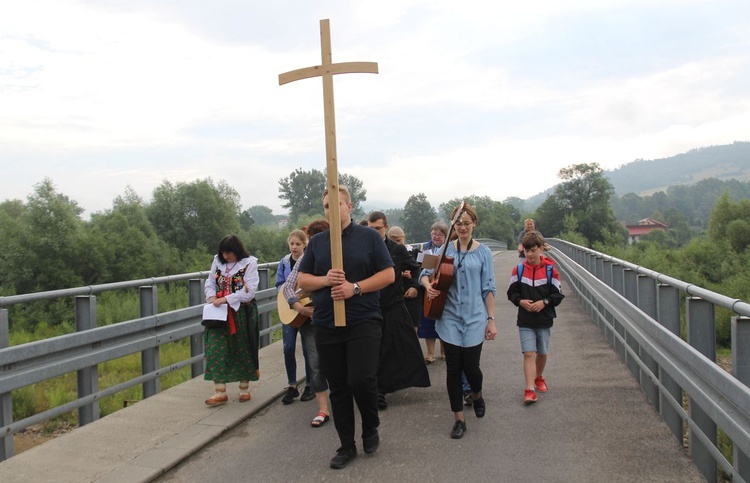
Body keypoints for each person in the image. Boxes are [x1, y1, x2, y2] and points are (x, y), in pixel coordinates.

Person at [297, 186, 395, 470]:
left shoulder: (369, 238)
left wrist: (355, 288)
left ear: (349, 207)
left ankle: (370, 426)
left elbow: (388, 274)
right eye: (326, 206)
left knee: (361, 379)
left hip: (363, 319)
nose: (331, 210)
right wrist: (325, 280)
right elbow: (302, 279)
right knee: (338, 386)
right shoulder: (317, 243)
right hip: (327, 322)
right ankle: (347, 445)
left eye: (336, 204)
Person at [421, 203, 497, 440]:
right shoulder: (444, 250)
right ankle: (459, 419)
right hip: (449, 317)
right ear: (454, 225)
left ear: (474, 224)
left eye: (467, 223)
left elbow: (488, 288)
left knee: (472, 368)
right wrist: (428, 288)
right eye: (459, 223)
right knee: (453, 369)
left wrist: (491, 319)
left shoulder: (483, 252)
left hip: (474, 317)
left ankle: (477, 394)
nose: (463, 227)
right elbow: (423, 273)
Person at [367, 213, 430, 410]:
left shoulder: (397, 249)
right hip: (370, 307)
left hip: (393, 305)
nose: (374, 232)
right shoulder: (364, 249)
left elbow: (418, 268)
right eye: (371, 228)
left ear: (385, 227)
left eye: (378, 228)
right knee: (373, 350)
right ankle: (375, 390)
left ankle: (382, 389)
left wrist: (414, 286)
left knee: (395, 348)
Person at [282, 220, 333, 427]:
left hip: (340, 316)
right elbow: (287, 287)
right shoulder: (306, 260)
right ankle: (323, 409)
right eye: (312, 239)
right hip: (313, 319)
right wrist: (299, 307)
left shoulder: (342, 256)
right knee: (315, 361)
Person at [507, 231, 564, 405]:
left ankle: (539, 376)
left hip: (544, 318)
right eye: (526, 251)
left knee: (542, 352)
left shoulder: (550, 271)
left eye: (533, 250)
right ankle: (530, 389)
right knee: (529, 353)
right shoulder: (519, 270)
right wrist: (520, 301)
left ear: (541, 249)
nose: (529, 254)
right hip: (525, 319)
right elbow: (511, 292)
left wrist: (544, 302)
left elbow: (558, 295)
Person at [203, 235, 260, 406]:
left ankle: (244, 387)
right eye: (224, 253)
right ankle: (219, 390)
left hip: (240, 313)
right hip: (218, 313)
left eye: (229, 253)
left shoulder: (249, 263)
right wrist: (212, 296)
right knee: (215, 348)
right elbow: (210, 282)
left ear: (237, 251)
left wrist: (227, 299)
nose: (226, 256)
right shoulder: (217, 262)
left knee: (241, 347)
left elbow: (249, 292)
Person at [275, 229, 315, 405]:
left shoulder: (308, 260)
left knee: (308, 349)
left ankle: (310, 384)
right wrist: (288, 299)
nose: (294, 247)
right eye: (291, 243)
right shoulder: (284, 262)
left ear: (305, 244)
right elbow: (279, 285)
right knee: (288, 348)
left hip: (305, 311)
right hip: (289, 311)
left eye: (298, 244)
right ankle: (292, 385)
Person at [417, 221, 449, 363]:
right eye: (434, 233)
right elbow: (418, 267)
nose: (436, 237)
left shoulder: (449, 249)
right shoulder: (424, 248)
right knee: (428, 319)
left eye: (440, 235)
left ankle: (444, 350)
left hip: (443, 287)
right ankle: (430, 353)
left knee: (443, 319)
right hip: (427, 287)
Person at [387, 226, 422, 330]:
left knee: (412, 329)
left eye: (399, 240)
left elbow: (420, 270)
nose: (397, 244)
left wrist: (415, 286)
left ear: (404, 238)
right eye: (393, 241)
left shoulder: (415, 252)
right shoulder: (385, 253)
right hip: (393, 298)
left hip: (411, 297)